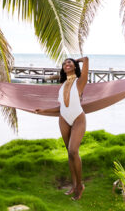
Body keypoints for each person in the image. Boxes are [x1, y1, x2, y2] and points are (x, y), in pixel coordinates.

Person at [36, 56, 89, 200]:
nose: (67, 63)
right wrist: (44, 111)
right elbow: (61, 107)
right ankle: (74, 185)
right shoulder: (62, 86)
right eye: (65, 62)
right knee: (69, 153)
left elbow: (85, 72)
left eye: (70, 62)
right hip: (63, 119)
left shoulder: (79, 82)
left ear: (74, 66)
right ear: (63, 68)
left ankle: (80, 185)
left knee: (73, 151)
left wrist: (85, 59)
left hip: (78, 118)